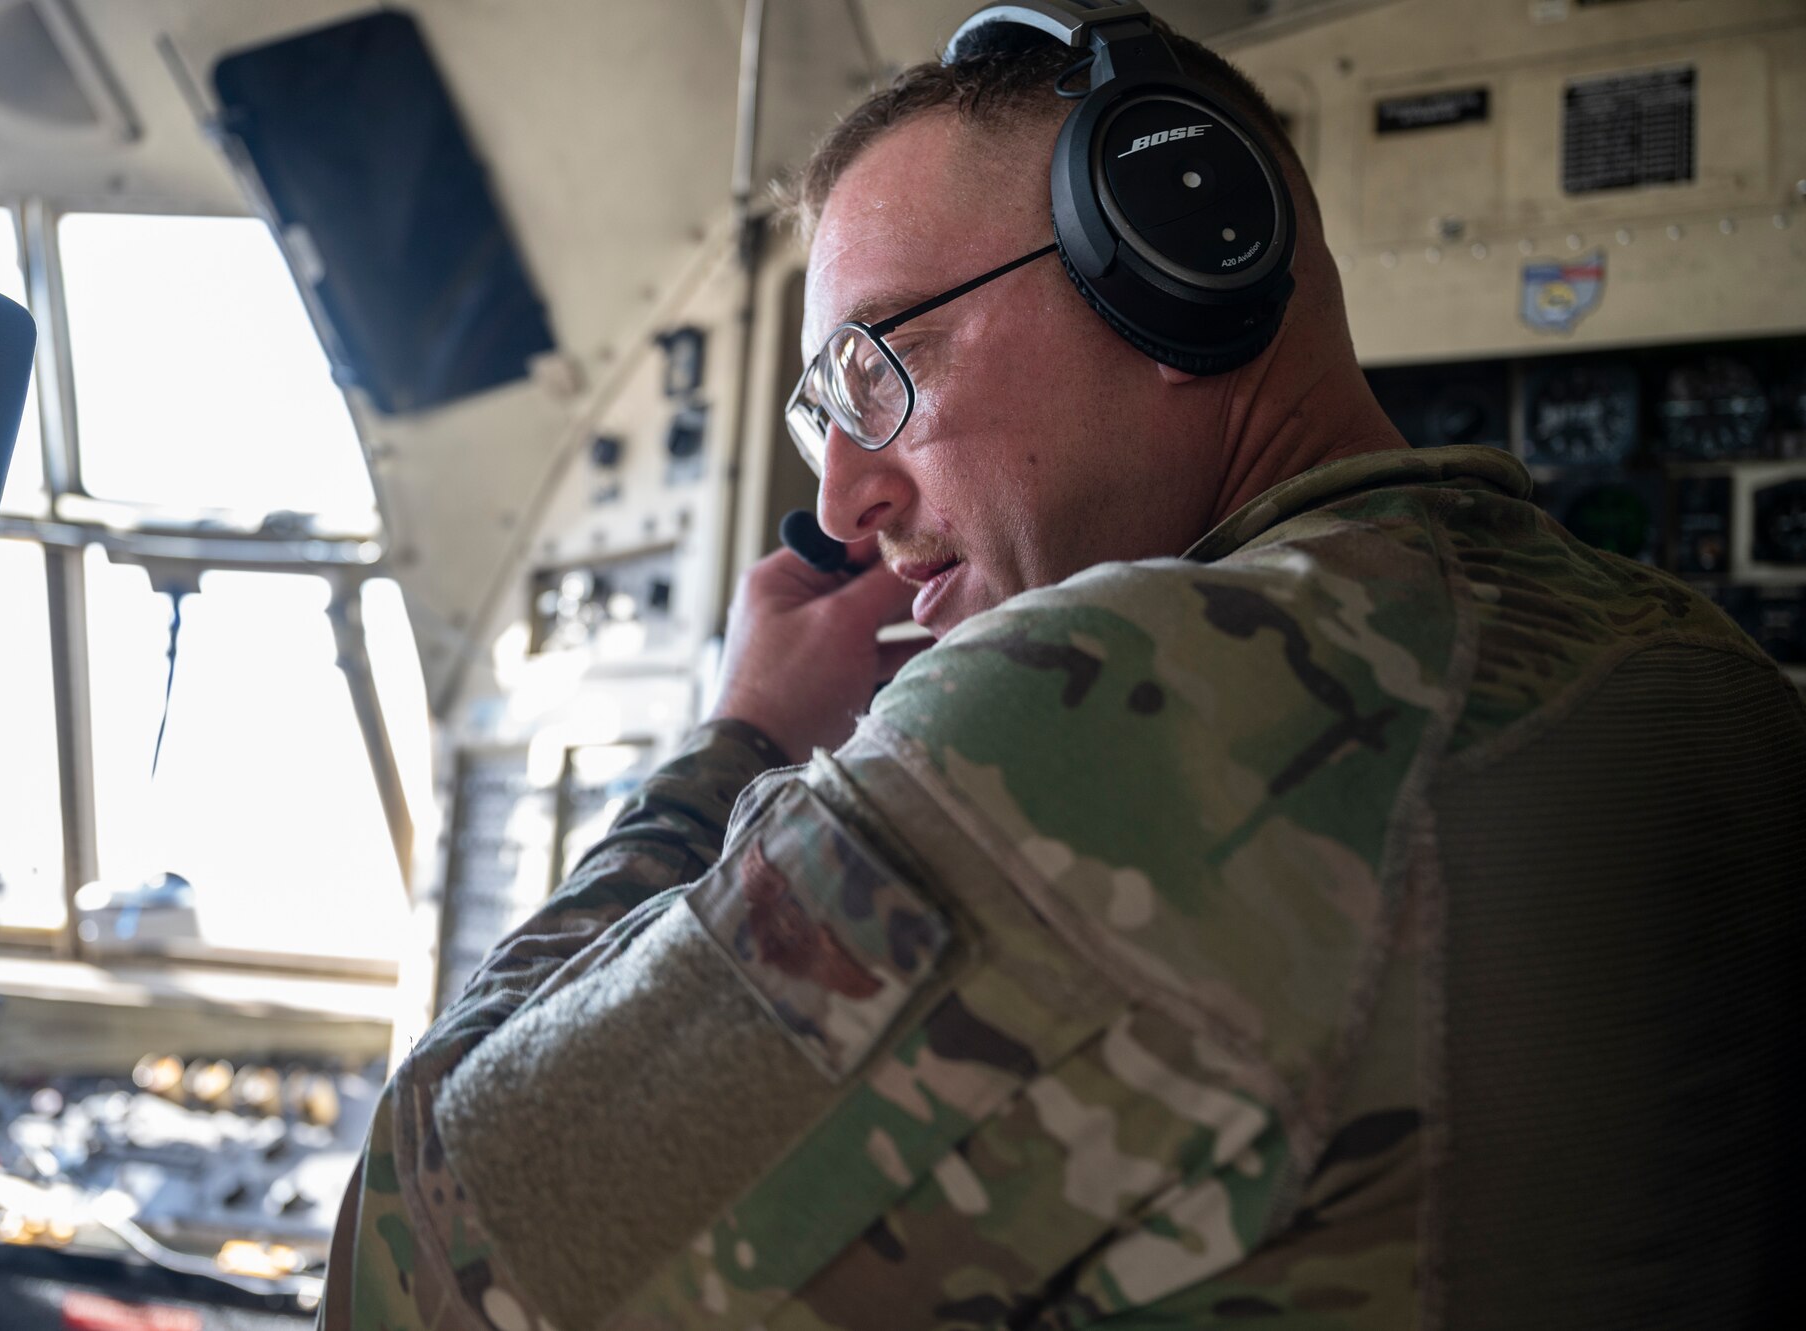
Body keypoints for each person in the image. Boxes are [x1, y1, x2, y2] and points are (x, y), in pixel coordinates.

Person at [319, 9, 1803, 1329]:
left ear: (1174, 256)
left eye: (881, 368)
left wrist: (742, 744)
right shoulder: (1704, 672)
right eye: (821, 412)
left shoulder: (1103, 707)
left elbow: (426, 1265)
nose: (843, 501)